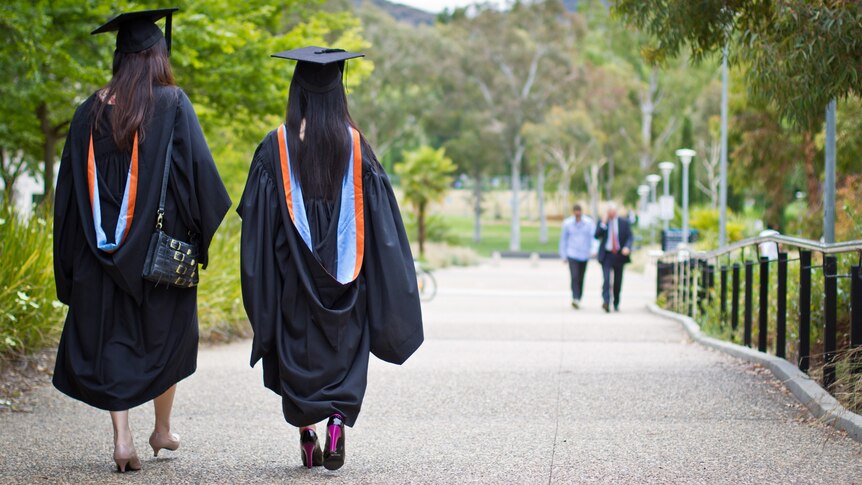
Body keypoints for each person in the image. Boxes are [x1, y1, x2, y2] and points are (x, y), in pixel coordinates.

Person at [52, 8, 231, 473]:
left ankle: (123, 438)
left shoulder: (86, 112)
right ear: (157, 57)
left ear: (120, 57)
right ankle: (162, 429)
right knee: (166, 336)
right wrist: (196, 237)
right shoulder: (171, 103)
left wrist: (70, 263)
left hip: (98, 253)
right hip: (157, 254)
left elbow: (68, 195)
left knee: (113, 339)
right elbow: (202, 180)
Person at [238, 46, 424, 471]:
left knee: (296, 357)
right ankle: (337, 420)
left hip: (292, 287)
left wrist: (262, 285)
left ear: (296, 92)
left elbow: (257, 228)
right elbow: (382, 227)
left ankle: (306, 434)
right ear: (338, 93)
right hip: (348, 286)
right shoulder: (356, 147)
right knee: (343, 354)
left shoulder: (275, 147)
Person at [595, 203, 634, 312]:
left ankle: (616, 302)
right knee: (606, 279)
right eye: (609, 211)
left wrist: (627, 247)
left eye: (612, 211)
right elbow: (597, 235)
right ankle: (606, 302)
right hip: (606, 255)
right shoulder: (603, 222)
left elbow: (630, 237)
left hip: (619, 255)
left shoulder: (624, 223)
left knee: (617, 281)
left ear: (616, 211)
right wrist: (603, 223)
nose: (611, 213)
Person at [559, 204, 595, 309]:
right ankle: (575, 297)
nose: (577, 214)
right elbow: (563, 240)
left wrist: (593, 250)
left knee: (581, 277)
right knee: (574, 276)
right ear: (573, 212)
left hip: (584, 254)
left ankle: (579, 297)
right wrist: (563, 255)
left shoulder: (588, 223)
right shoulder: (567, 223)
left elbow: (593, 237)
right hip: (572, 253)